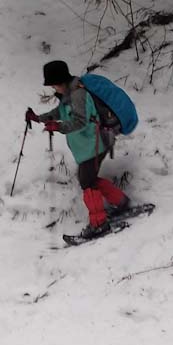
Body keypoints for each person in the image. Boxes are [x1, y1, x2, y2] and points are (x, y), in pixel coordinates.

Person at [26, 60, 130, 239]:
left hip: (95, 145)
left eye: (53, 85)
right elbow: (59, 113)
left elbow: (80, 122)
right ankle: (121, 202)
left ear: (61, 81)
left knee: (87, 182)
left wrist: (58, 127)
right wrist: (39, 118)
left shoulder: (78, 95)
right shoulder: (68, 95)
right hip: (87, 147)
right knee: (89, 180)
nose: (53, 88)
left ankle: (99, 224)